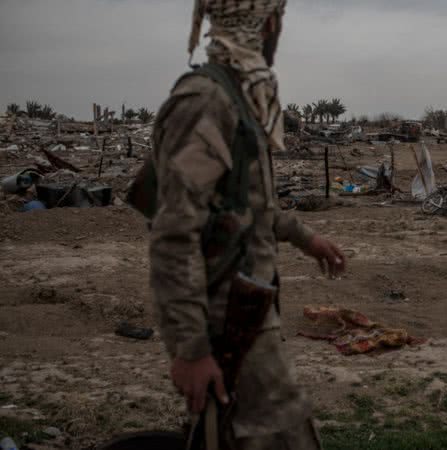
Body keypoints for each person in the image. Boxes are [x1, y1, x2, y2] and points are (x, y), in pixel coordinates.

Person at [148, 1, 345, 448]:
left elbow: (249, 206)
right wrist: (190, 347)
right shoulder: (206, 101)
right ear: (267, 23)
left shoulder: (240, 98)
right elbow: (173, 233)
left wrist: (305, 237)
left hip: (250, 308)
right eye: (279, 21)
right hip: (224, 315)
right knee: (281, 434)